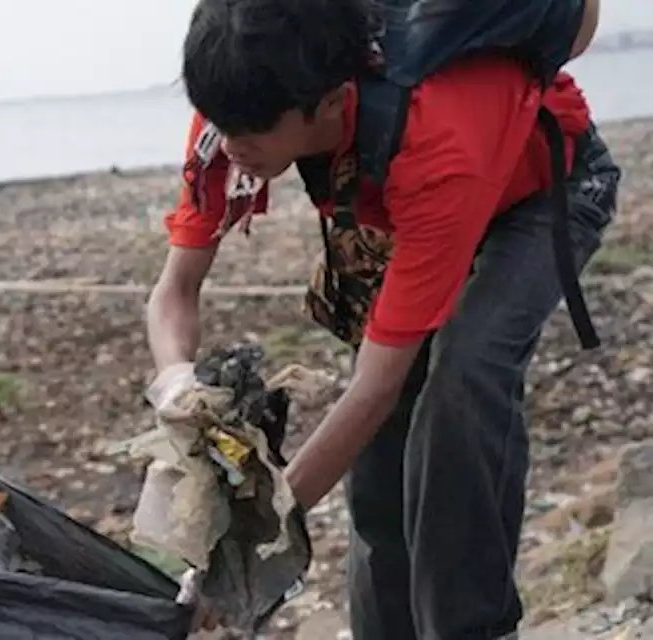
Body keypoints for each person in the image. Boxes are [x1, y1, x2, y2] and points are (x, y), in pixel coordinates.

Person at [145, 0, 620, 638]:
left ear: (333, 102)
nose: (233, 148)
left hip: (535, 198)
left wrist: (241, 548)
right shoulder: (243, 94)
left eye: (252, 133)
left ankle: (472, 628)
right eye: (223, 126)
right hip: (404, 209)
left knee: (462, 379)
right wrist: (176, 382)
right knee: (377, 467)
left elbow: (372, 386)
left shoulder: (436, 139)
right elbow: (174, 290)